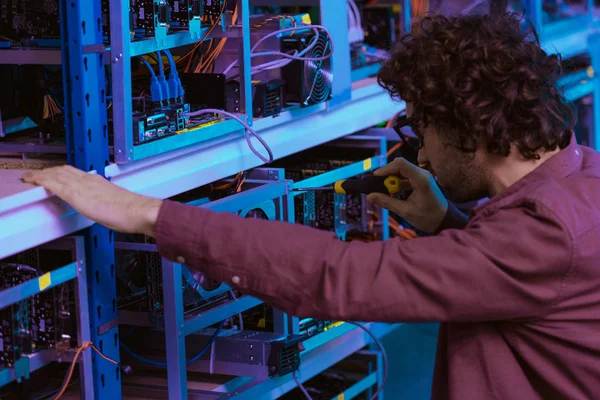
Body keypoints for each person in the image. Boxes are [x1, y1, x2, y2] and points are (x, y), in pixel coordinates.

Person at [22, 13, 600, 400]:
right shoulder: (581, 177)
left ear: (467, 131)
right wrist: (448, 223)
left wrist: (148, 214)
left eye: (422, 131)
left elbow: (341, 275)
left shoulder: (546, 232)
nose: (421, 152)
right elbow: (519, 280)